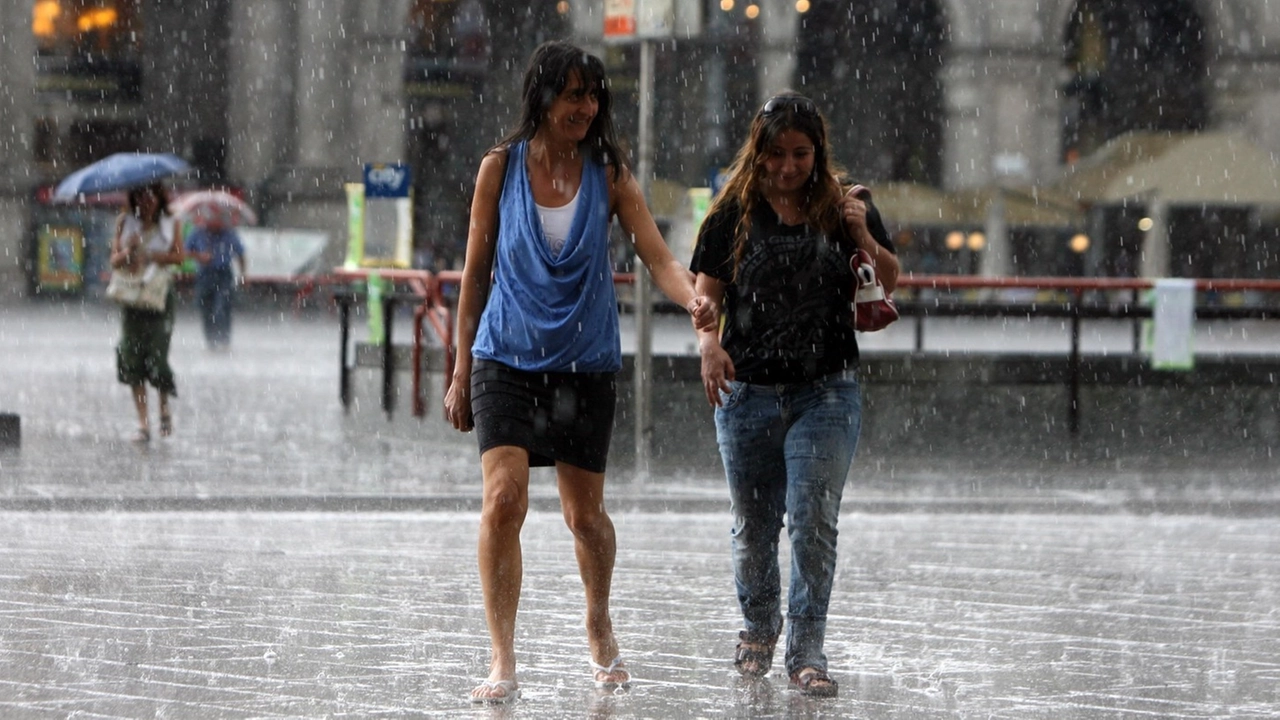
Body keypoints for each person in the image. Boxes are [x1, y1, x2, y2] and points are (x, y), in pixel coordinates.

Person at [443, 40, 718, 704]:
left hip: (583, 361)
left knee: (583, 516)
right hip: (503, 354)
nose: (586, 109)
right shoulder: (499, 169)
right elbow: (475, 274)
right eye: (573, 95)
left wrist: (693, 300)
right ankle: (502, 657)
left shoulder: (610, 171)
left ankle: (597, 622)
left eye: (594, 96)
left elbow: (658, 257)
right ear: (542, 97)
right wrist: (459, 369)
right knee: (503, 501)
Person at [689, 92, 900, 698]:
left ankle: (806, 652)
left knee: (812, 521)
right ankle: (759, 623)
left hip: (825, 392)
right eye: (776, 153)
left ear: (819, 152)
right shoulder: (732, 212)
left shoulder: (846, 204)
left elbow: (890, 279)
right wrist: (709, 342)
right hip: (746, 391)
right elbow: (707, 298)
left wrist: (865, 234)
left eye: (800, 154)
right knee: (754, 526)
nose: (787, 166)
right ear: (758, 153)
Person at [108, 182, 185, 442]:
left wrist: (152, 255)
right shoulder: (125, 222)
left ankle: (163, 407)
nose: (146, 201)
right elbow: (114, 260)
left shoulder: (169, 222)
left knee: (157, 357)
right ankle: (143, 423)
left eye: (151, 196)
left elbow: (178, 257)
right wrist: (130, 250)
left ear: (159, 198)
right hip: (132, 297)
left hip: (159, 297)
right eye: (140, 195)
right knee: (131, 355)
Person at [185, 220, 247, 348]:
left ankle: (224, 340)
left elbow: (240, 253)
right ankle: (211, 341)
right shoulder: (198, 233)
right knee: (206, 309)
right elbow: (186, 251)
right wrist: (200, 256)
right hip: (204, 274)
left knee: (222, 307)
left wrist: (243, 275)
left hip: (223, 274)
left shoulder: (229, 234)